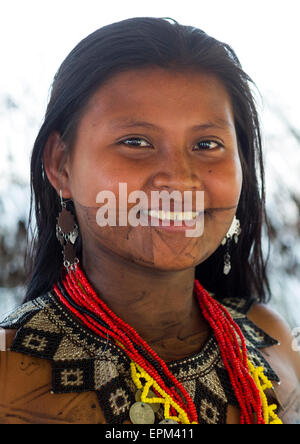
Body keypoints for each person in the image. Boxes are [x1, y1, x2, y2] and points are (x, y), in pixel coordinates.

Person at [0, 16, 299, 425]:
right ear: (61, 165)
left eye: (207, 144)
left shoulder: (274, 340)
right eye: (135, 142)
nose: (178, 178)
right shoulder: (8, 371)